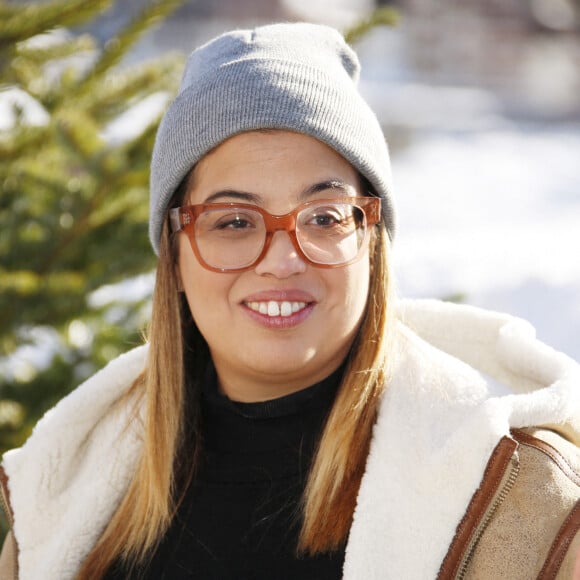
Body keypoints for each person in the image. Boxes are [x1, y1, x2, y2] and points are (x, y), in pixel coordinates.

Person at [1, 22, 580, 580]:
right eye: (232, 221)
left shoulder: (518, 497)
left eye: (324, 217)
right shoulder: (63, 495)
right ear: (174, 258)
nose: (282, 259)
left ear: (371, 243)